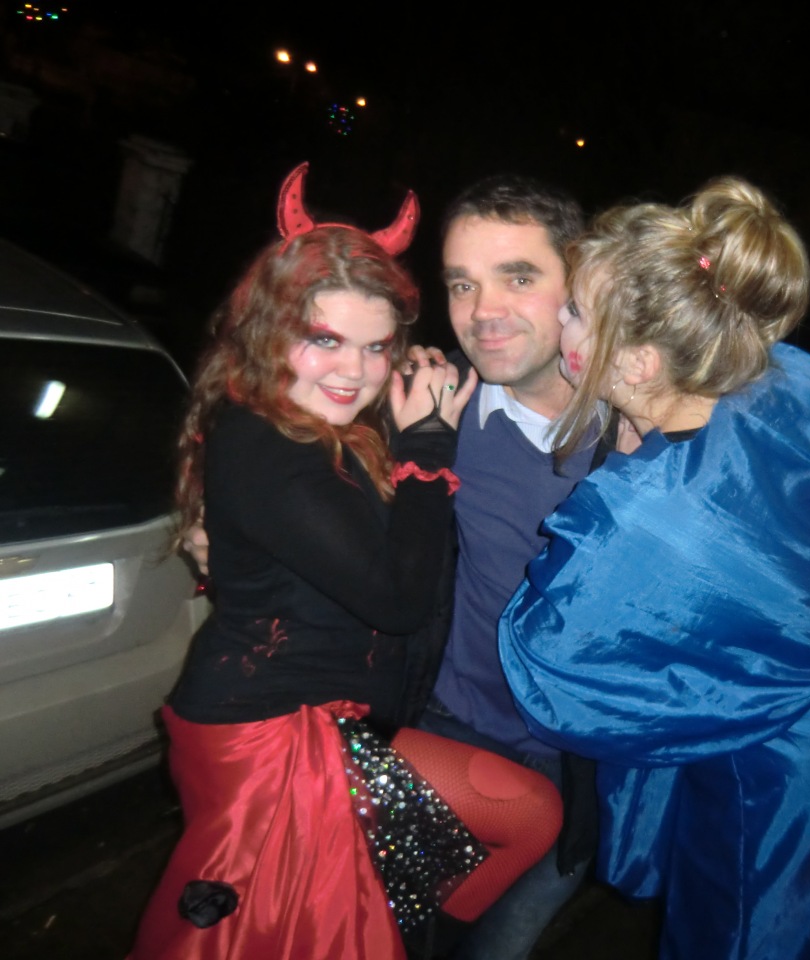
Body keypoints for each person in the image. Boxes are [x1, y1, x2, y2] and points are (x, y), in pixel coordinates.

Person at [183, 173, 810, 960]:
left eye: (519, 278)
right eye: (462, 283)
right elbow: (280, 419)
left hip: (586, 770)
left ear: (584, 288)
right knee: (377, 934)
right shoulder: (423, 403)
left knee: (500, 948)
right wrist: (207, 518)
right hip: (442, 728)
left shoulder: (662, 406)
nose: (483, 311)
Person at [498, 177, 810, 960]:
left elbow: (548, 671)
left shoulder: (642, 521)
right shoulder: (779, 377)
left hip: (796, 791)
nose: (555, 319)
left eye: (573, 310)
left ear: (638, 361)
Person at [132, 165, 561, 960]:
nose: (352, 371)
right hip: (267, 736)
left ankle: (412, 921)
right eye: (323, 339)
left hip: (326, 723)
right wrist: (428, 455)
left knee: (525, 820)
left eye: (374, 347)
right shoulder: (263, 441)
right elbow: (397, 596)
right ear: (269, 330)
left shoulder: (319, 425)